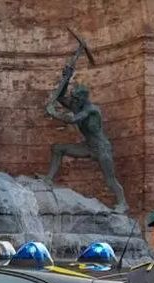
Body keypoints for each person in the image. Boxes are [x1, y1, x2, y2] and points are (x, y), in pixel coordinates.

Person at [43, 65, 128, 213]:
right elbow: (61, 97)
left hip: (101, 148)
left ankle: (123, 203)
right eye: (73, 98)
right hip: (88, 146)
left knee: (110, 179)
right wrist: (66, 79)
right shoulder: (77, 105)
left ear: (84, 98)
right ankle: (48, 178)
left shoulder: (91, 110)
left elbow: (73, 120)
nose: (73, 101)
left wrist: (53, 113)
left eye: (76, 98)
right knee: (58, 148)